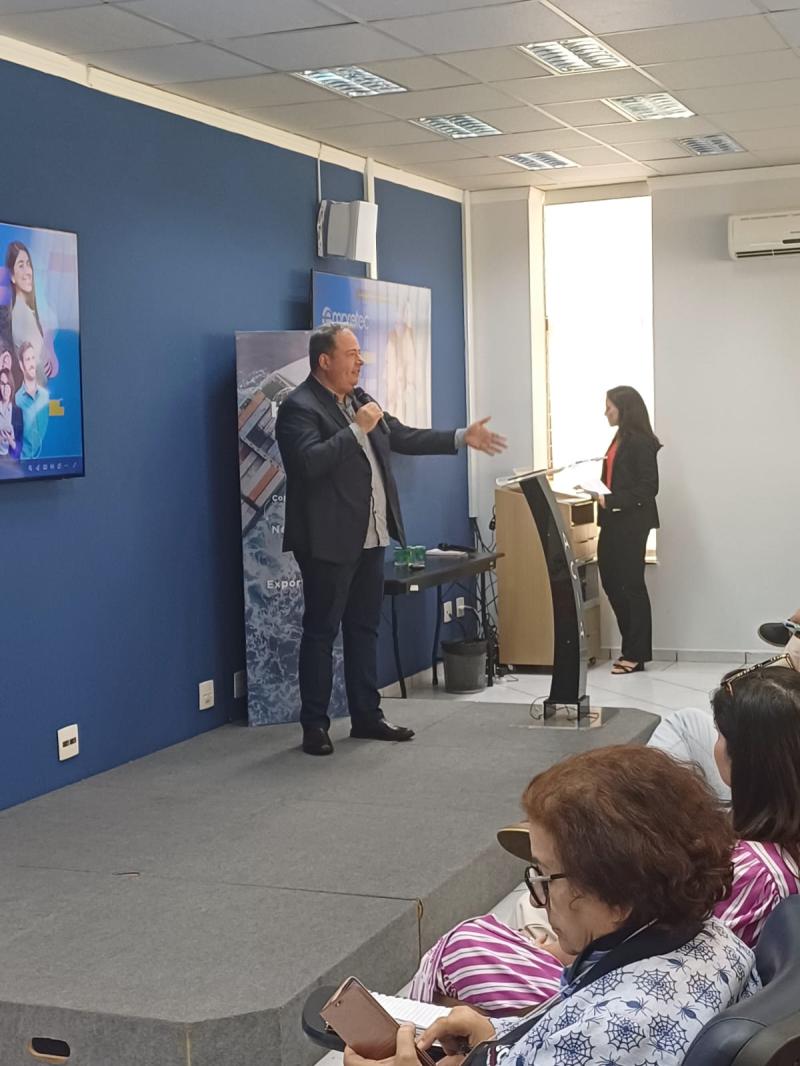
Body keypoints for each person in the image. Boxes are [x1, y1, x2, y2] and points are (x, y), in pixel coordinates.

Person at [410, 666, 800, 1017]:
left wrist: (565, 956)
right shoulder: (768, 849)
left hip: (628, 985)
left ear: (749, 760)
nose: (715, 742)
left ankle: (410, 1037)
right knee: (527, 909)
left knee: (463, 948)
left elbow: (672, 953)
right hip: (642, 971)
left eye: (721, 735)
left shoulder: (753, 873)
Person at [345, 746, 758, 1066]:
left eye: (545, 877)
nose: (536, 898)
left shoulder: (608, 1033)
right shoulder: (718, 941)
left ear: (616, 897)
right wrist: (496, 1036)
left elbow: (584, 1038)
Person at [275, 324, 507, 756]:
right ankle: (315, 726)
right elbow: (307, 465)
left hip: (372, 536)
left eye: (359, 354)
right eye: (352, 354)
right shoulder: (299, 407)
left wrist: (461, 437)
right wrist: (355, 431)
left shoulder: (359, 400)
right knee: (321, 633)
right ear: (325, 360)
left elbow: (401, 436)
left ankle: (367, 716)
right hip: (327, 542)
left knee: (364, 629)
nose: (360, 361)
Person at [592, 385, 661, 675]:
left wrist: (611, 500)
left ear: (624, 408)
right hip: (613, 521)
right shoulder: (619, 437)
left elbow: (649, 487)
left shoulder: (641, 441)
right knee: (610, 580)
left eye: (609, 407)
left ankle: (635, 653)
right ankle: (630, 647)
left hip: (632, 523)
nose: (605, 412)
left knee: (631, 585)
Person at [6, 241, 58, 382]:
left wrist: (48, 342)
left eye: (28, 264)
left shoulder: (30, 310)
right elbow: (42, 372)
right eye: (21, 265)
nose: (28, 271)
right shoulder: (21, 316)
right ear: (12, 276)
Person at [15, 341, 50, 460]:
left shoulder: (45, 396)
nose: (31, 364)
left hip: (48, 461)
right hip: (24, 464)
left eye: (33, 358)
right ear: (21, 365)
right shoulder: (16, 400)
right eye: (28, 359)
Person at [0, 367, 22, 459]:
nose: (5, 388)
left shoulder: (17, 412)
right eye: (2, 384)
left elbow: (19, 451)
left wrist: (11, 441)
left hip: (10, 462)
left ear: (11, 385)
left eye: (8, 384)